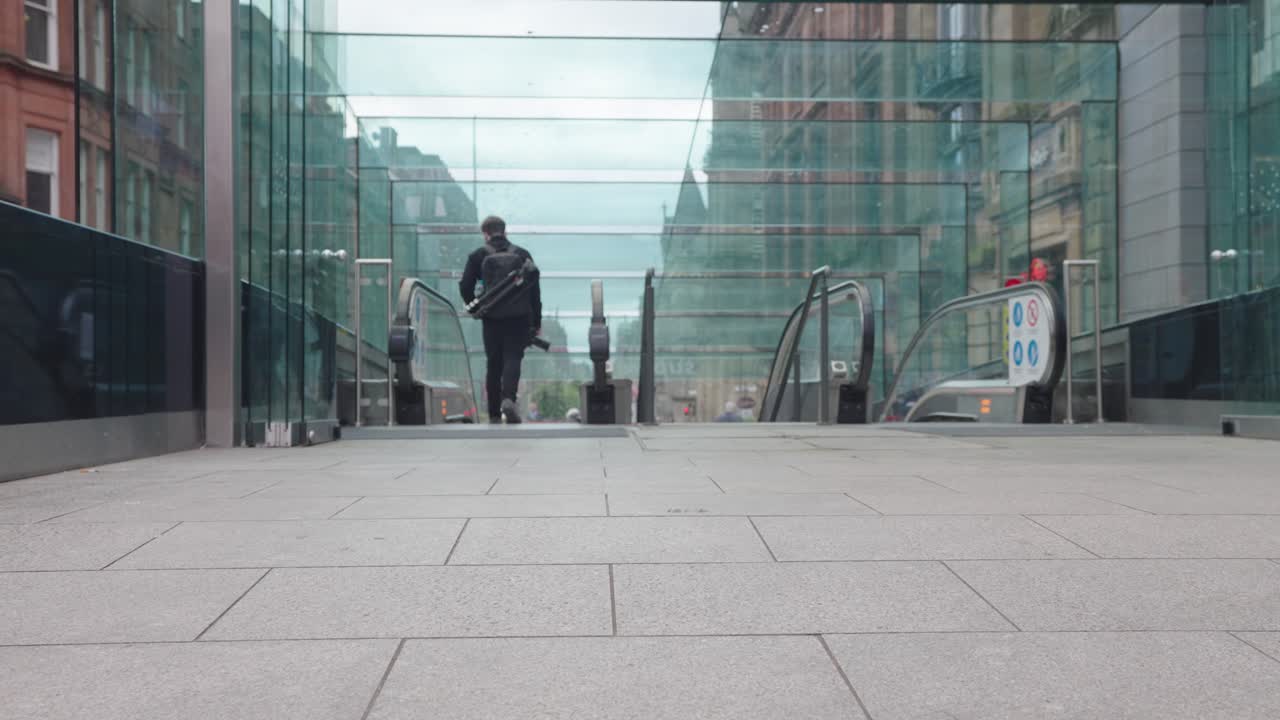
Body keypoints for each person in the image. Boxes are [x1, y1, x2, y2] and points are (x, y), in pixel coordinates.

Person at [460, 216, 542, 424]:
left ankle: (494, 414)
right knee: (513, 357)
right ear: (505, 232)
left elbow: (465, 286)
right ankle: (508, 400)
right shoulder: (522, 254)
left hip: (492, 318)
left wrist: (477, 308)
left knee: (494, 363)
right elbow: (534, 292)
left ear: (485, 234)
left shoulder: (477, 256)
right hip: (519, 317)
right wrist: (536, 322)